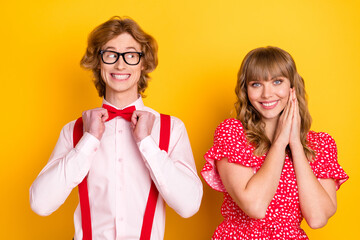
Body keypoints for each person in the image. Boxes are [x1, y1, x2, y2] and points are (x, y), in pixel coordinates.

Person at [30, 16, 203, 240]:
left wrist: (147, 143)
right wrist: (89, 140)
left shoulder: (171, 129)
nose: (120, 65)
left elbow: (189, 206)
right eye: (110, 54)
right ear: (98, 61)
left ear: (143, 62)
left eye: (131, 55)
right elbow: (40, 204)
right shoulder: (74, 130)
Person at [201, 46, 348, 239]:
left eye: (277, 81)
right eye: (256, 84)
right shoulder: (232, 134)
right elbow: (255, 206)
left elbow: (317, 218)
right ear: (245, 89)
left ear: (292, 86)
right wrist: (280, 142)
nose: (267, 94)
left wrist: (295, 145)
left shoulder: (320, 144)